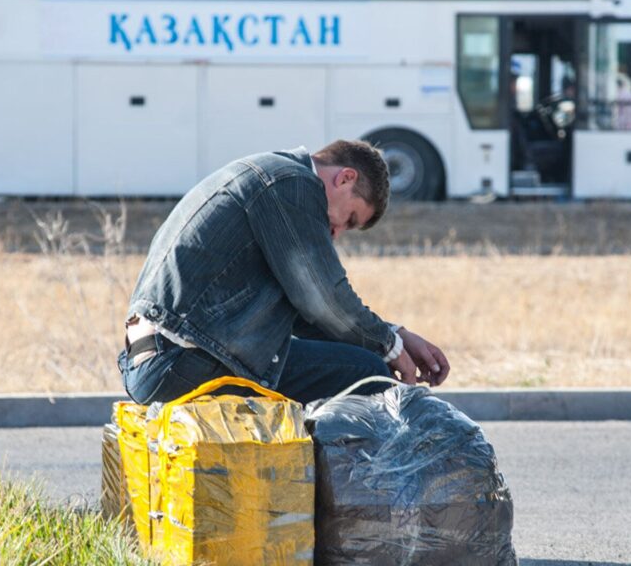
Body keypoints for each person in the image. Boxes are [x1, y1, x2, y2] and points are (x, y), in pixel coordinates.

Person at [116, 140, 450, 406]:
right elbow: (322, 300)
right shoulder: (292, 184)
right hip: (182, 363)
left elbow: (310, 317)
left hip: (158, 358)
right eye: (349, 219)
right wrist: (388, 347)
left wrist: (395, 334)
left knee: (357, 360)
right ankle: (334, 492)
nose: (337, 234)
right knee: (367, 373)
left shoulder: (268, 173)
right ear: (346, 178)